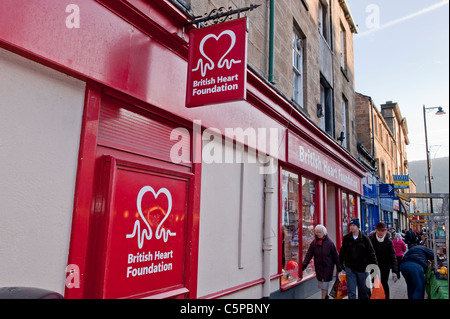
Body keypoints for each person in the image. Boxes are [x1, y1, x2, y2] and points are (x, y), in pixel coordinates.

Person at [339, 218, 378, 299]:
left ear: (358, 227)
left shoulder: (365, 239)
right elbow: (342, 251)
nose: (352, 227)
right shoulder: (346, 238)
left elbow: (371, 253)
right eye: (350, 225)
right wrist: (340, 264)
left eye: (354, 225)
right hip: (350, 268)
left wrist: (374, 266)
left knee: (363, 291)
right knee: (351, 291)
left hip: (363, 269)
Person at [302, 224, 341, 299]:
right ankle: (326, 296)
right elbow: (309, 254)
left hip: (328, 267)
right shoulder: (314, 243)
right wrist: (305, 263)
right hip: (319, 267)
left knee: (324, 283)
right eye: (316, 232)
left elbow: (336, 256)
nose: (318, 234)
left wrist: (339, 266)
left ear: (324, 232)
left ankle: (323, 297)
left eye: (319, 232)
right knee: (322, 284)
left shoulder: (329, 243)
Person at [369, 222, 399, 299]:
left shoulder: (388, 242)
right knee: (374, 284)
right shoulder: (371, 240)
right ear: (376, 230)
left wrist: (394, 271)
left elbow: (393, 256)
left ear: (385, 231)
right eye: (379, 230)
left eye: (382, 231)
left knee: (384, 283)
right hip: (373, 266)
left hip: (385, 266)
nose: (380, 232)